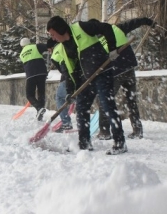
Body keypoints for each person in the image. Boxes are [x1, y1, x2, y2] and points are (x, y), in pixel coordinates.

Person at [46, 16, 126, 155]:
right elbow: (70, 72)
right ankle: (84, 143)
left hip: (102, 72)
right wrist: (70, 92)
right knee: (82, 108)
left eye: (53, 34)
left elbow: (106, 28)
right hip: (85, 80)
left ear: (60, 29)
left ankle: (120, 142)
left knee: (107, 106)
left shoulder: (82, 27)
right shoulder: (64, 49)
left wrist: (112, 49)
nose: (53, 38)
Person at [95, 17, 156, 140]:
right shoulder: (117, 28)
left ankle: (105, 132)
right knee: (131, 101)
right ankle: (137, 130)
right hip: (129, 68)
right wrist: (148, 21)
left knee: (104, 100)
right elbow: (134, 22)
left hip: (115, 72)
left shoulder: (97, 42)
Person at [46, 38, 73, 132]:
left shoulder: (55, 54)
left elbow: (63, 69)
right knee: (79, 97)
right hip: (79, 74)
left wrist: (68, 81)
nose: (49, 52)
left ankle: (66, 123)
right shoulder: (65, 44)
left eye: (49, 50)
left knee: (60, 98)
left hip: (68, 78)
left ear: (52, 47)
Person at [19, 37, 48, 121]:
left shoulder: (21, 54)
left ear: (22, 46)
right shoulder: (36, 46)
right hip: (42, 73)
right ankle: (40, 111)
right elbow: (47, 46)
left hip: (30, 75)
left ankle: (39, 108)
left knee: (29, 95)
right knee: (41, 92)